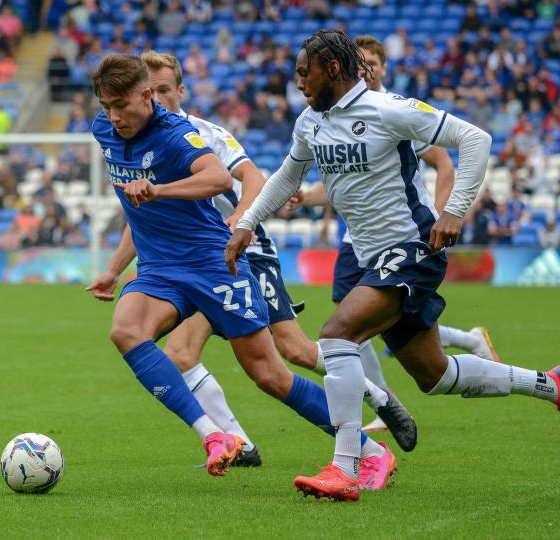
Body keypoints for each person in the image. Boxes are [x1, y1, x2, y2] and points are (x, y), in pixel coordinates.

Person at [226, 29, 560, 501]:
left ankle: (347, 466)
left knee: (337, 334)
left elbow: (475, 138)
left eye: (305, 72)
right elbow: (286, 177)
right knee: (435, 376)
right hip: (369, 259)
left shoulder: (388, 110)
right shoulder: (310, 122)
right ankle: (553, 384)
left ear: (332, 70)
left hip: (410, 248)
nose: (298, 82)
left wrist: (455, 210)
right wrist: (249, 222)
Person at [84, 53, 400, 481]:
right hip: (160, 267)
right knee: (126, 331)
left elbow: (218, 179)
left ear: (146, 96)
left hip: (213, 264)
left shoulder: (178, 133)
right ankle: (216, 436)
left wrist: (159, 189)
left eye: (121, 105)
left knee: (271, 374)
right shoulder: (104, 130)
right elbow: (134, 209)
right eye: (106, 107)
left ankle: (369, 450)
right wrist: (114, 268)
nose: (113, 116)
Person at [295, 35, 501, 434]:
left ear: (382, 68)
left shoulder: (392, 109)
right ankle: (528, 373)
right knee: (411, 357)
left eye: (372, 61)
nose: (366, 68)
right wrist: (304, 201)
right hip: (359, 242)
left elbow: (446, 161)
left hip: (403, 241)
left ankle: (366, 430)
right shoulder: (323, 115)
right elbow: (341, 180)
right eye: (362, 60)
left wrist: (448, 213)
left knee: (344, 329)